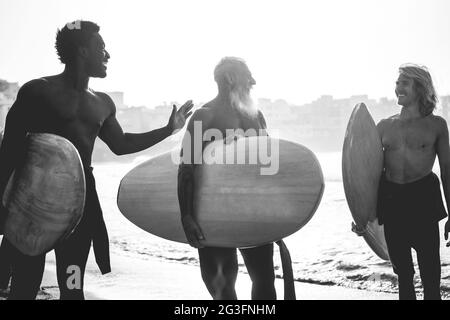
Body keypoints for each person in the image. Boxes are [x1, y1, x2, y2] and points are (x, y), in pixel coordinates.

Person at [0, 20, 193, 300]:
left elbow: (121, 144)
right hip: (33, 207)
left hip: (79, 209)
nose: (107, 55)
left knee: (73, 287)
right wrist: (3, 208)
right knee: (24, 289)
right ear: (82, 51)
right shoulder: (37, 91)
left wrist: (168, 129)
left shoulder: (102, 103)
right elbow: (10, 150)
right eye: (100, 47)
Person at [177, 57, 295, 300]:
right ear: (230, 79)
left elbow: (266, 167)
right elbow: (186, 167)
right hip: (212, 212)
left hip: (253, 210)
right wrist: (187, 216)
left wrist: (278, 215)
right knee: (221, 285)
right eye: (247, 76)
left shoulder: (256, 116)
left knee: (264, 280)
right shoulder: (204, 116)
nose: (253, 81)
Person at [376, 64, 449, 300]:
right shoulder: (384, 126)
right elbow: (369, 174)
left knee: (430, 278)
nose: (397, 88)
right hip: (393, 202)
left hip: (423, 203)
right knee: (404, 278)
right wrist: (362, 216)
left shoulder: (436, 125)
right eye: (397, 83)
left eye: (404, 83)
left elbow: (447, 170)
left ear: (420, 87)